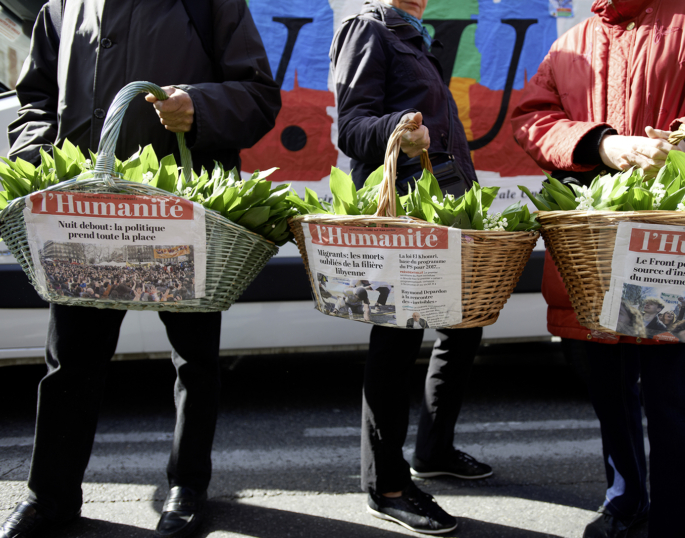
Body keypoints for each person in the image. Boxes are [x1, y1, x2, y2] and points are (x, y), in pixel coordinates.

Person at [511, 1, 685, 537]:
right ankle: (626, 501)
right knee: (607, 389)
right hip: (594, 253)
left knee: (674, 395)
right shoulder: (573, 41)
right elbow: (530, 120)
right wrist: (602, 143)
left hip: (677, 251)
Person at [0, 2, 281, 538]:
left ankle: (188, 486)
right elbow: (34, 100)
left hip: (177, 217)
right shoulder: (61, 4)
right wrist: (37, 156)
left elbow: (260, 97)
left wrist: (197, 106)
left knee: (195, 362)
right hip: (88, 220)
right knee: (69, 363)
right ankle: (49, 498)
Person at [331, 0, 491, 533]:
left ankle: (435, 449)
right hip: (402, 214)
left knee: (464, 323)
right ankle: (388, 485)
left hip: (441, 206)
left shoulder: (412, 35)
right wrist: (400, 128)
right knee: (396, 338)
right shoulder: (368, 28)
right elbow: (351, 128)